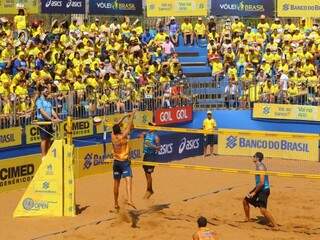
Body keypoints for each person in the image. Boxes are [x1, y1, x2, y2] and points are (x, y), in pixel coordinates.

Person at [243, 152, 277, 228]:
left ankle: (275, 225)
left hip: (264, 190)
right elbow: (259, 183)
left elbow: (262, 183)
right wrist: (252, 191)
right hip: (259, 188)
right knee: (245, 200)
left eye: (254, 156)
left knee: (263, 210)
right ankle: (247, 218)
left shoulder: (261, 167)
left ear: (257, 158)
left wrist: (254, 193)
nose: (253, 157)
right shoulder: (258, 166)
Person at [111, 110, 137, 210]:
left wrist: (124, 116)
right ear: (120, 129)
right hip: (124, 162)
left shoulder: (112, 136)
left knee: (116, 184)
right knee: (128, 180)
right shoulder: (123, 136)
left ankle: (116, 203)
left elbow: (116, 125)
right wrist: (132, 115)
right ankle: (129, 199)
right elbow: (130, 125)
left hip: (116, 162)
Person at [36, 86, 61, 158]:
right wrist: (51, 119)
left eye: (48, 91)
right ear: (41, 92)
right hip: (43, 121)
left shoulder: (48, 101)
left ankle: (48, 154)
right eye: (46, 91)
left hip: (49, 121)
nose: (48, 92)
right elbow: (42, 111)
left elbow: (52, 111)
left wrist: (57, 118)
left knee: (49, 139)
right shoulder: (39, 101)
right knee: (44, 139)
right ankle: (43, 156)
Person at [140, 122, 160, 199]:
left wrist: (152, 146)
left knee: (148, 174)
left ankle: (149, 190)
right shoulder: (146, 134)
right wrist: (141, 135)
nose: (149, 126)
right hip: (146, 156)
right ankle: (150, 189)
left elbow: (158, 148)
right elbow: (140, 136)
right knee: (146, 173)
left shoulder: (156, 137)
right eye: (149, 125)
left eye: (151, 125)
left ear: (154, 127)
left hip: (151, 156)